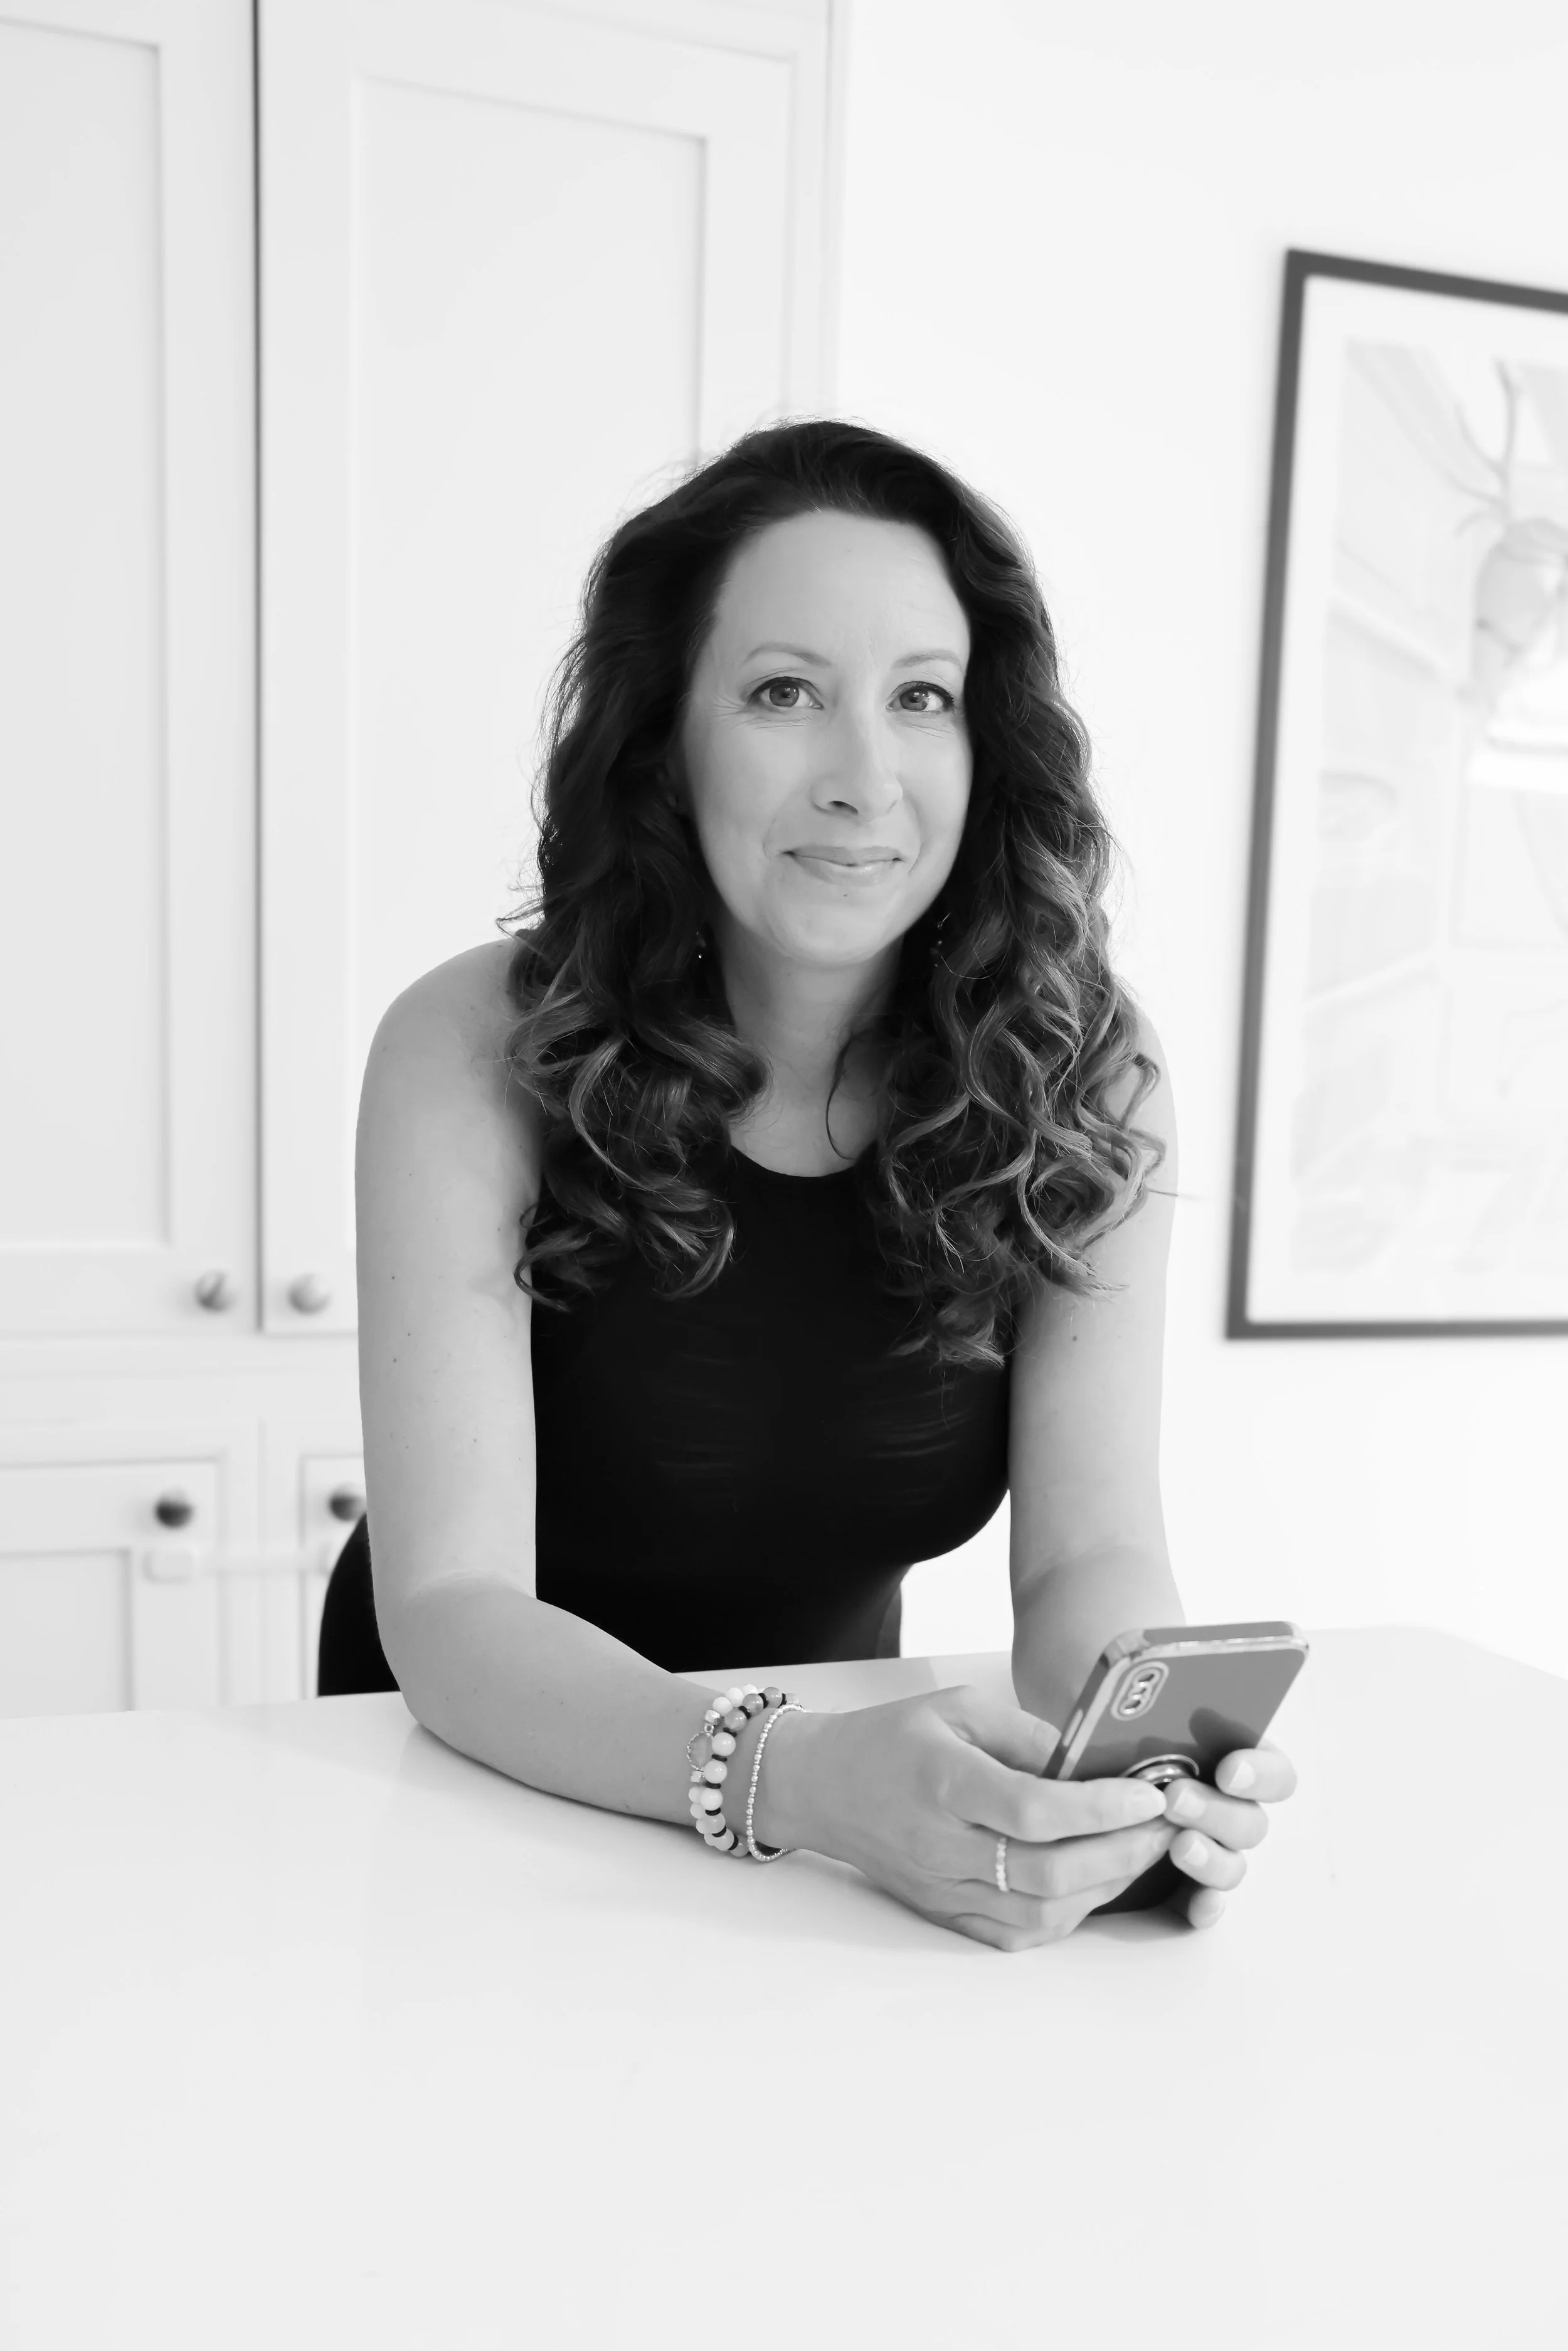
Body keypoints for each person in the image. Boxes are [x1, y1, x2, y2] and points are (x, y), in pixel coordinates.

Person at [320, 417, 1296, 1951]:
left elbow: (1084, 1547)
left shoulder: (1084, 1075)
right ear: (666, 741)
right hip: (467, 1797)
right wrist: (788, 1774)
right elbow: (449, 1609)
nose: (863, 776)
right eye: (784, 693)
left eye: (922, 698)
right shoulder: (470, 1051)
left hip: (831, 1820)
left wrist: (1137, 1757)